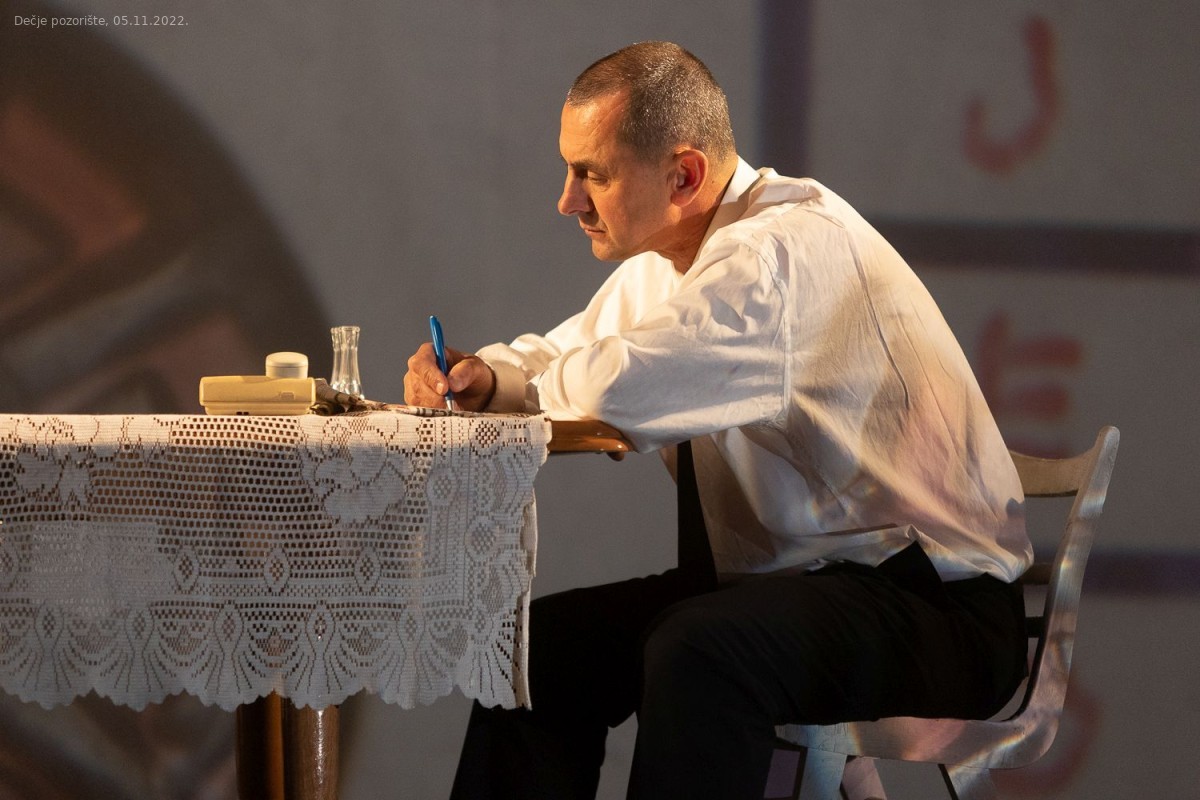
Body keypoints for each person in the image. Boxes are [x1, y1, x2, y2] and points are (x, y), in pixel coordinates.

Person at [404, 41, 1032, 800]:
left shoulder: (775, 254)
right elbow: (572, 356)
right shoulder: (670, 261)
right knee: (544, 654)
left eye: (592, 174)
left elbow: (620, 383)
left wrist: (525, 388)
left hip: (933, 607)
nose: (568, 201)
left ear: (684, 175)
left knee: (700, 650)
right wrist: (484, 378)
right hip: (798, 588)